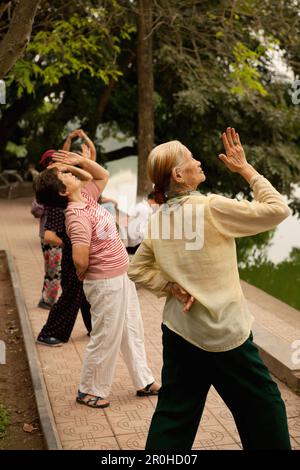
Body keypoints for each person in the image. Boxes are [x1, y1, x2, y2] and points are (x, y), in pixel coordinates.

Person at [128, 127, 291, 450]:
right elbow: (277, 209)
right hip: (224, 333)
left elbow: (137, 269)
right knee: (265, 410)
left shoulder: (159, 219)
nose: (198, 161)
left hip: (179, 331)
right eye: (191, 158)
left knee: (174, 417)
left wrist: (168, 286)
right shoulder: (211, 208)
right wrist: (244, 168)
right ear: (178, 173)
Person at [34, 150, 160, 407]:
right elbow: (80, 258)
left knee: (130, 328)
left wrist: (78, 162)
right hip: (105, 282)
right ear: (62, 192)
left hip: (121, 276)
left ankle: (144, 380)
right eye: (64, 174)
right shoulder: (77, 215)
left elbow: (101, 174)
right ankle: (89, 390)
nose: (69, 172)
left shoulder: (87, 198)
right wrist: (87, 274)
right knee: (105, 336)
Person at [35, 142, 92, 346]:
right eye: (64, 172)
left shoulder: (69, 199)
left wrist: (74, 165)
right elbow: (49, 235)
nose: (69, 174)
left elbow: (89, 177)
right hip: (71, 252)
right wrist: (71, 245)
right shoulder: (58, 205)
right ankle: (51, 333)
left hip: (73, 250)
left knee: (83, 294)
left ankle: (94, 326)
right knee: (71, 295)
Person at [31, 197, 62, 310]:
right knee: (54, 270)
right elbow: (36, 211)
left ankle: (47, 299)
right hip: (50, 237)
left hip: (52, 237)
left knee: (52, 269)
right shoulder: (48, 191)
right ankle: (48, 300)